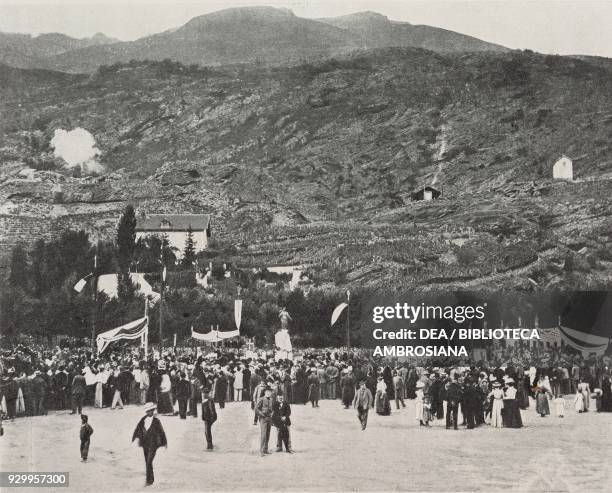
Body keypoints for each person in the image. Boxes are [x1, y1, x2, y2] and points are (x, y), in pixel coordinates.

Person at [132, 402, 168, 487]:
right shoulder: (143, 419)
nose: (149, 412)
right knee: (147, 462)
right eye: (147, 411)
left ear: (153, 411)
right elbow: (137, 428)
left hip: (153, 444)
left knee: (149, 462)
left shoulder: (156, 421)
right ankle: (150, 479)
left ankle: (149, 480)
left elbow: (162, 432)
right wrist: (134, 438)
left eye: (150, 411)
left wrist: (165, 442)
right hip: (145, 444)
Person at [255, 386, 274, 457]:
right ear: (265, 392)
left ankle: (266, 449)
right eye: (267, 392)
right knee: (263, 434)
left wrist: (272, 414)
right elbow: (256, 409)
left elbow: (272, 409)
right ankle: (261, 451)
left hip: (269, 418)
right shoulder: (261, 399)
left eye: (270, 392)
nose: (269, 393)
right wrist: (261, 414)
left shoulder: (271, 399)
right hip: (263, 418)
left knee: (268, 434)